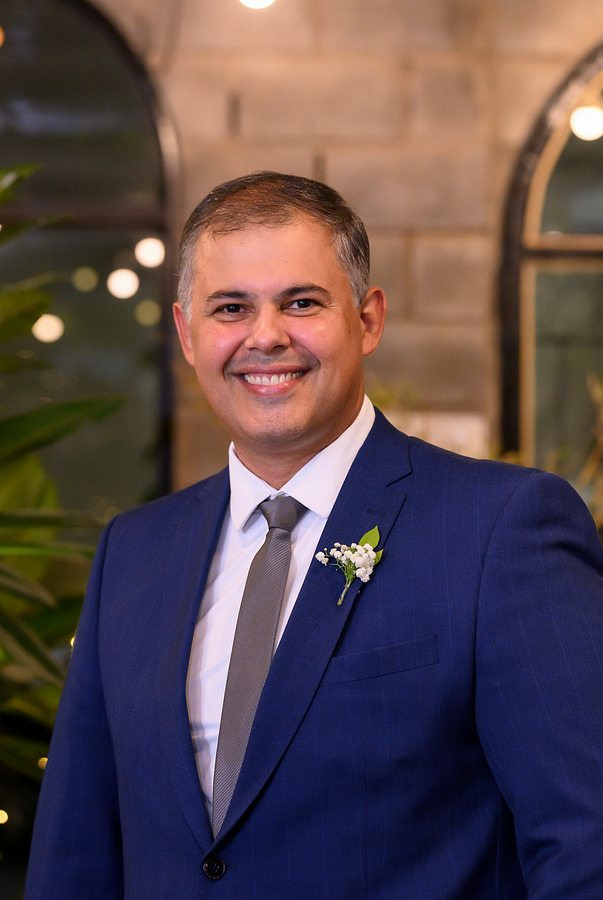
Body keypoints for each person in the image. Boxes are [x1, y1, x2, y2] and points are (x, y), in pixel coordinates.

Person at [26, 172, 603, 899]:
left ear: (368, 320)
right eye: (230, 308)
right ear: (187, 334)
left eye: (301, 302)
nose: (265, 336)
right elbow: (75, 856)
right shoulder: (134, 553)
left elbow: (585, 845)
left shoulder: (501, 530)